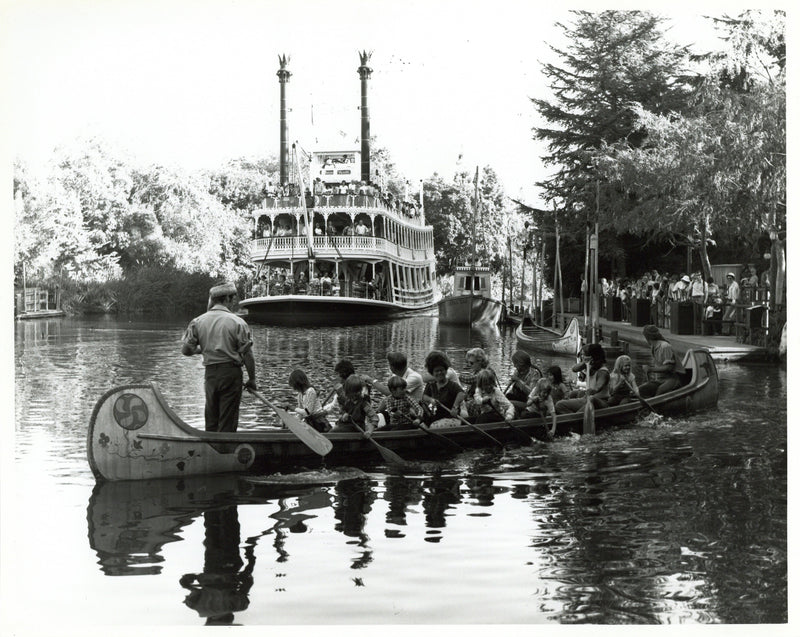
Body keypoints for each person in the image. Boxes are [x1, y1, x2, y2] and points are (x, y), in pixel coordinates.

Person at [181, 282, 257, 432]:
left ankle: (211, 450)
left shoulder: (197, 321)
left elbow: (186, 350)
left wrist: (203, 350)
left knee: (211, 416)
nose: (234, 301)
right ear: (228, 298)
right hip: (231, 374)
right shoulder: (237, 322)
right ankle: (225, 452)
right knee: (227, 419)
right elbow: (247, 354)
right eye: (233, 298)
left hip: (210, 375)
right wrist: (252, 379)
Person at [555, 343, 609, 414]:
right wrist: (585, 362)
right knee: (573, 393)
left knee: (559, 405)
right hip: (586, 398)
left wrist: (593, 390)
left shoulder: (602, 372)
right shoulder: (589, 365)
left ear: (592, 356)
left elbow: (598, 386)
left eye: (584, 355)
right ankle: (573, 415)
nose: (582, 356)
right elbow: (574, 369)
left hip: (599, 401)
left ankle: (575, 418)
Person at [638, 324, 686, 397]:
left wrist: (650, 369)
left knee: (660, 392)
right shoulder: (653, 347)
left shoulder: (665, 347)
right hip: (660, 379)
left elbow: (669, 367)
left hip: (673, 378)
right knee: (641, 389)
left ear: (647, 337)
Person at [421, 350, 465, 428]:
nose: (439, 373)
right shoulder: (431, 385)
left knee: (433, 427)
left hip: (450, 418)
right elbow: (424, 397)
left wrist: (455, 407)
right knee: (421, 427)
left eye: (441, 370)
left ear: (445, 370)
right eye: (436, 371)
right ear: (432, 372)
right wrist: (431, 400)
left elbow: (461, 393)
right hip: (435, 417)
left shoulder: (451, 385)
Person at [524, 365, 568, 438]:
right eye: (548, 375)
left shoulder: (560, 385)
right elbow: (528, 403)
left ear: (556, 376)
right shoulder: (546, 385)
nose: (549, 377)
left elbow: (566, 394)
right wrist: (533, 399)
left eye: (551, 375)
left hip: (553, 406)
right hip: (543, 407)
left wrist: (563, 400)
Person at [505, 350, 543, 416]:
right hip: (520, 399)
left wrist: (518, 380)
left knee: (509, 403)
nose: (514, 366)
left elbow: (531, 392)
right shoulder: (518, 371)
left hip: (530, 403)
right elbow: (514, 390)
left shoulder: (535, 373)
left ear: (520, 364)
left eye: (515, 364)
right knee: (507, 398)